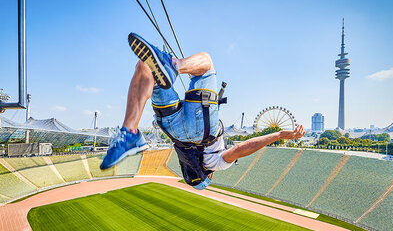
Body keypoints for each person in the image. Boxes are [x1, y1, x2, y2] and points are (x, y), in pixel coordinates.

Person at [101, 33, 305, 190]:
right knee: (145, 66)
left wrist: (279, 135)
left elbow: (241, 148)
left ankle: (175, 66)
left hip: (201, 128)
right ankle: (129, 131)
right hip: (173, 129)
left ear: (206, 176)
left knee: (206, 64)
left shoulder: (215, 164)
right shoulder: (186, 158)